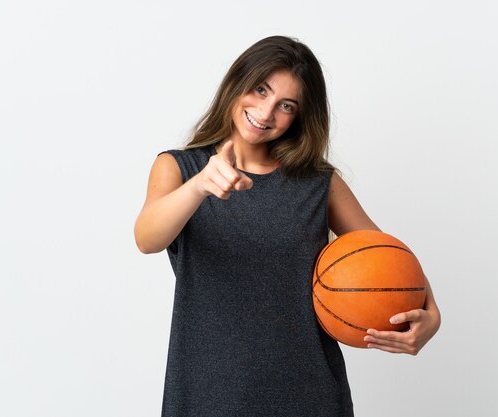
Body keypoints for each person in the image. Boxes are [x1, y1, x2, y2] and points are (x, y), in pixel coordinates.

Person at [134, 35, 441, 417]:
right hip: (206, 395)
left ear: (299, 117)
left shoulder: (319, 184)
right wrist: (200, 186)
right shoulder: (180, 169)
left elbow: (389, 255)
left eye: (286, 106)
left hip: (309, 396)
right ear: (237, 81)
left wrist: (431, 312)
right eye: (260, 90)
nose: (265, 112)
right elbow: (147, 238)